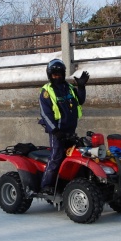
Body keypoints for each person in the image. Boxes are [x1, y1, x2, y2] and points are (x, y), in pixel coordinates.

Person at [38, 59, 89, 194]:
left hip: (71, 130)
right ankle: (46, 185)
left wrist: (82, 87)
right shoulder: (46, 92)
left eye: (59, 74)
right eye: (54, 75)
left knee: (76, 156)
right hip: (57, 132)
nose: (57, 77)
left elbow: (80, 100)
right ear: (50, 75)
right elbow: (45, 114)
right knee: (56, 156)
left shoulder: (70, 88)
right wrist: (55, 131)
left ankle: (68, 183)